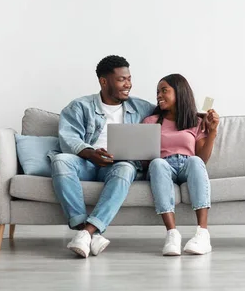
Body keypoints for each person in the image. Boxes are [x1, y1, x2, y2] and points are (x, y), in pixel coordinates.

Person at [51, 55, 155, 258]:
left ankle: (86, 233)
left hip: (116, 166)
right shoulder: (80, 106)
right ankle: (89, 231)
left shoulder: (141, 107)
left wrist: (197, 115)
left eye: (129, 78)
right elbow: (68, 138)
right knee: (60, 160)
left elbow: (170, 115)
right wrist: (90, 153)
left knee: (126, 168)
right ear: (104, 81)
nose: (128, 84)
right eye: (121, 79)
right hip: (85, 163)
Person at [142, 74, 219, 256]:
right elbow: (145, 160)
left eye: (164, 90)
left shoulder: (196, 122)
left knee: (194, 160)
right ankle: (172, 234)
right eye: (157, 92)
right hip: (162, 166)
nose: (159, 95)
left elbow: (202, 159)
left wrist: (212, 132)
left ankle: (202, 233)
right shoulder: (150, 122)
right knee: (158, 163)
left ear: (179, 92)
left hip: (187, 164)